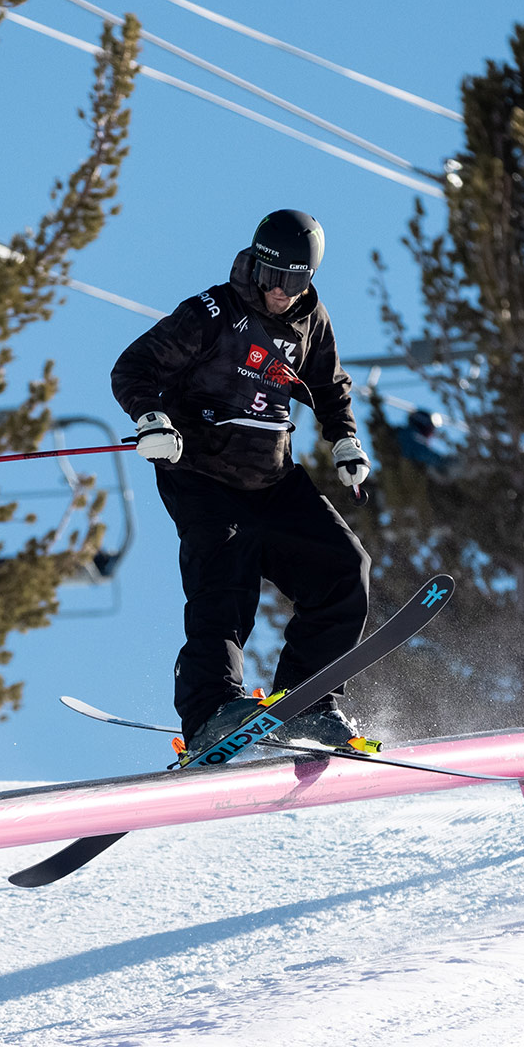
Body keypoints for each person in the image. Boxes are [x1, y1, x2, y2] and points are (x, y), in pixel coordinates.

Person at [110, 209, 373, 753]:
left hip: (273, 477)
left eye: (294, 281)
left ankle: (307, 700)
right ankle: (211, 710)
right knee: (225, 583)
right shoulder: (212, 312)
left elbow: (328, 385)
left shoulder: (310, 319)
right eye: (270, 275)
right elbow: (133, 367)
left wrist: (344, 438)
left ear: (310, 279)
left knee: (345, 568)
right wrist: (152, 419)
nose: (279, 291)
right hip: (201, 472)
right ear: (254, 264)